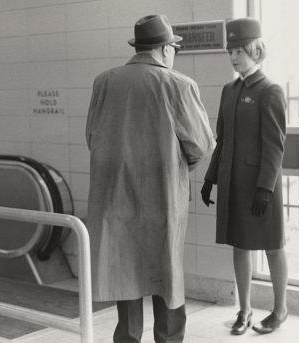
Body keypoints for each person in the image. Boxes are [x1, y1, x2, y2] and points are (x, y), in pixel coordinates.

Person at [86, 14, 215, 343]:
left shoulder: (104, 82)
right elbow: (200, 144)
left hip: (115, 199)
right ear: (166, 49)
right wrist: (174, 168)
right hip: (162, 197)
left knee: (124, 274)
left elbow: (92, 137)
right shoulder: (178, 85)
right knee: (167, 278)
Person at [200, 17, 288, 335]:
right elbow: (221, 140)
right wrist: (210, 178)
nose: (234, 57)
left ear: (255, 49)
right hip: (234, 184)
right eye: (230, 51)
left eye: (239, 50)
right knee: (240, 245)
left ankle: (280, 310)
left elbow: (275, 145)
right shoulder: (229, 90)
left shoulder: (270, 90)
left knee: (272, 246)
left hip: (261, 186)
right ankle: (245, 310)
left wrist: (265, 187)